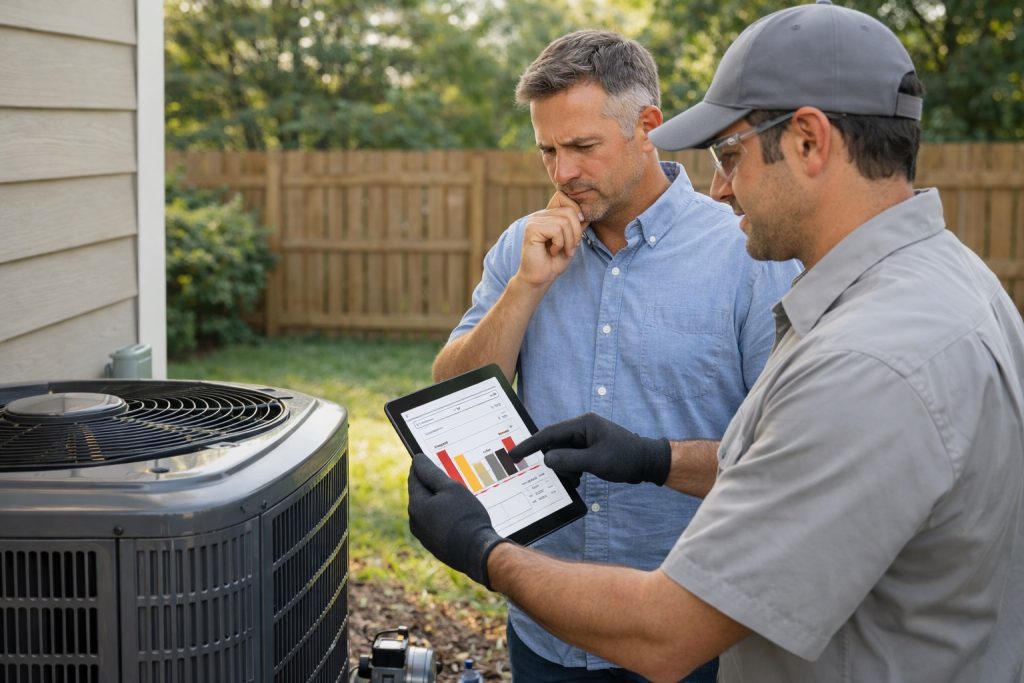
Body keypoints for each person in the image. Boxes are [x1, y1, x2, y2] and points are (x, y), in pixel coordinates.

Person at [407, 2, 1024, 681]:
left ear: (810, 142)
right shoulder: (957, 284)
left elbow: (669, 630)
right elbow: (785, 466)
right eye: (548, 151)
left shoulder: (865, 354)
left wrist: (482, 548)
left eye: (730, 155)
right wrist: (651, 458)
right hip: (552, 636)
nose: (721, 188)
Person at [429, 29, 799, 682]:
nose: (562, 173)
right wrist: (526, 287)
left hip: (692, 632)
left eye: (582, 147)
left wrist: (650, 458)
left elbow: (784, 463)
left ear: (646, 126)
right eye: (548, 150)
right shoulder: (522, 245)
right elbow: (451, 398)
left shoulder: (746, 253)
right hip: (546, 627)